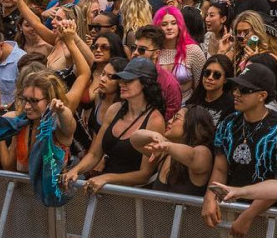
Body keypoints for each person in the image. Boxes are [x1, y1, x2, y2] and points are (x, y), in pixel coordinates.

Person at [202, 63, 277, 237]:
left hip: (273, 218)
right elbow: (220, 168)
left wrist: (248, 215)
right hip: (233, 210)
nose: (236, 93)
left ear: (262, 96)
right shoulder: (229, 123)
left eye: (244, 90)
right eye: (236, 88)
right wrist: (209, 198)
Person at [63, 57, 167, 193]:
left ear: (145, 84)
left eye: (128, 80)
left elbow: (144, 174)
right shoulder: (114, 109)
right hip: (104, 189)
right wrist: (75, 170)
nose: (122, 84)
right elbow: (94, 154)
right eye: (122, 79)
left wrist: (107, 178)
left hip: (132, 196)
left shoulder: (155, 120)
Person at [130, 104, 216, 196]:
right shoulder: (165, 151)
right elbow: (135, 140)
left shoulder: (203, 152)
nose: (170, 121)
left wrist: (167, 146)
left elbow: (192, 156)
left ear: (194, 124)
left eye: (176, 118)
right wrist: (152, 135)